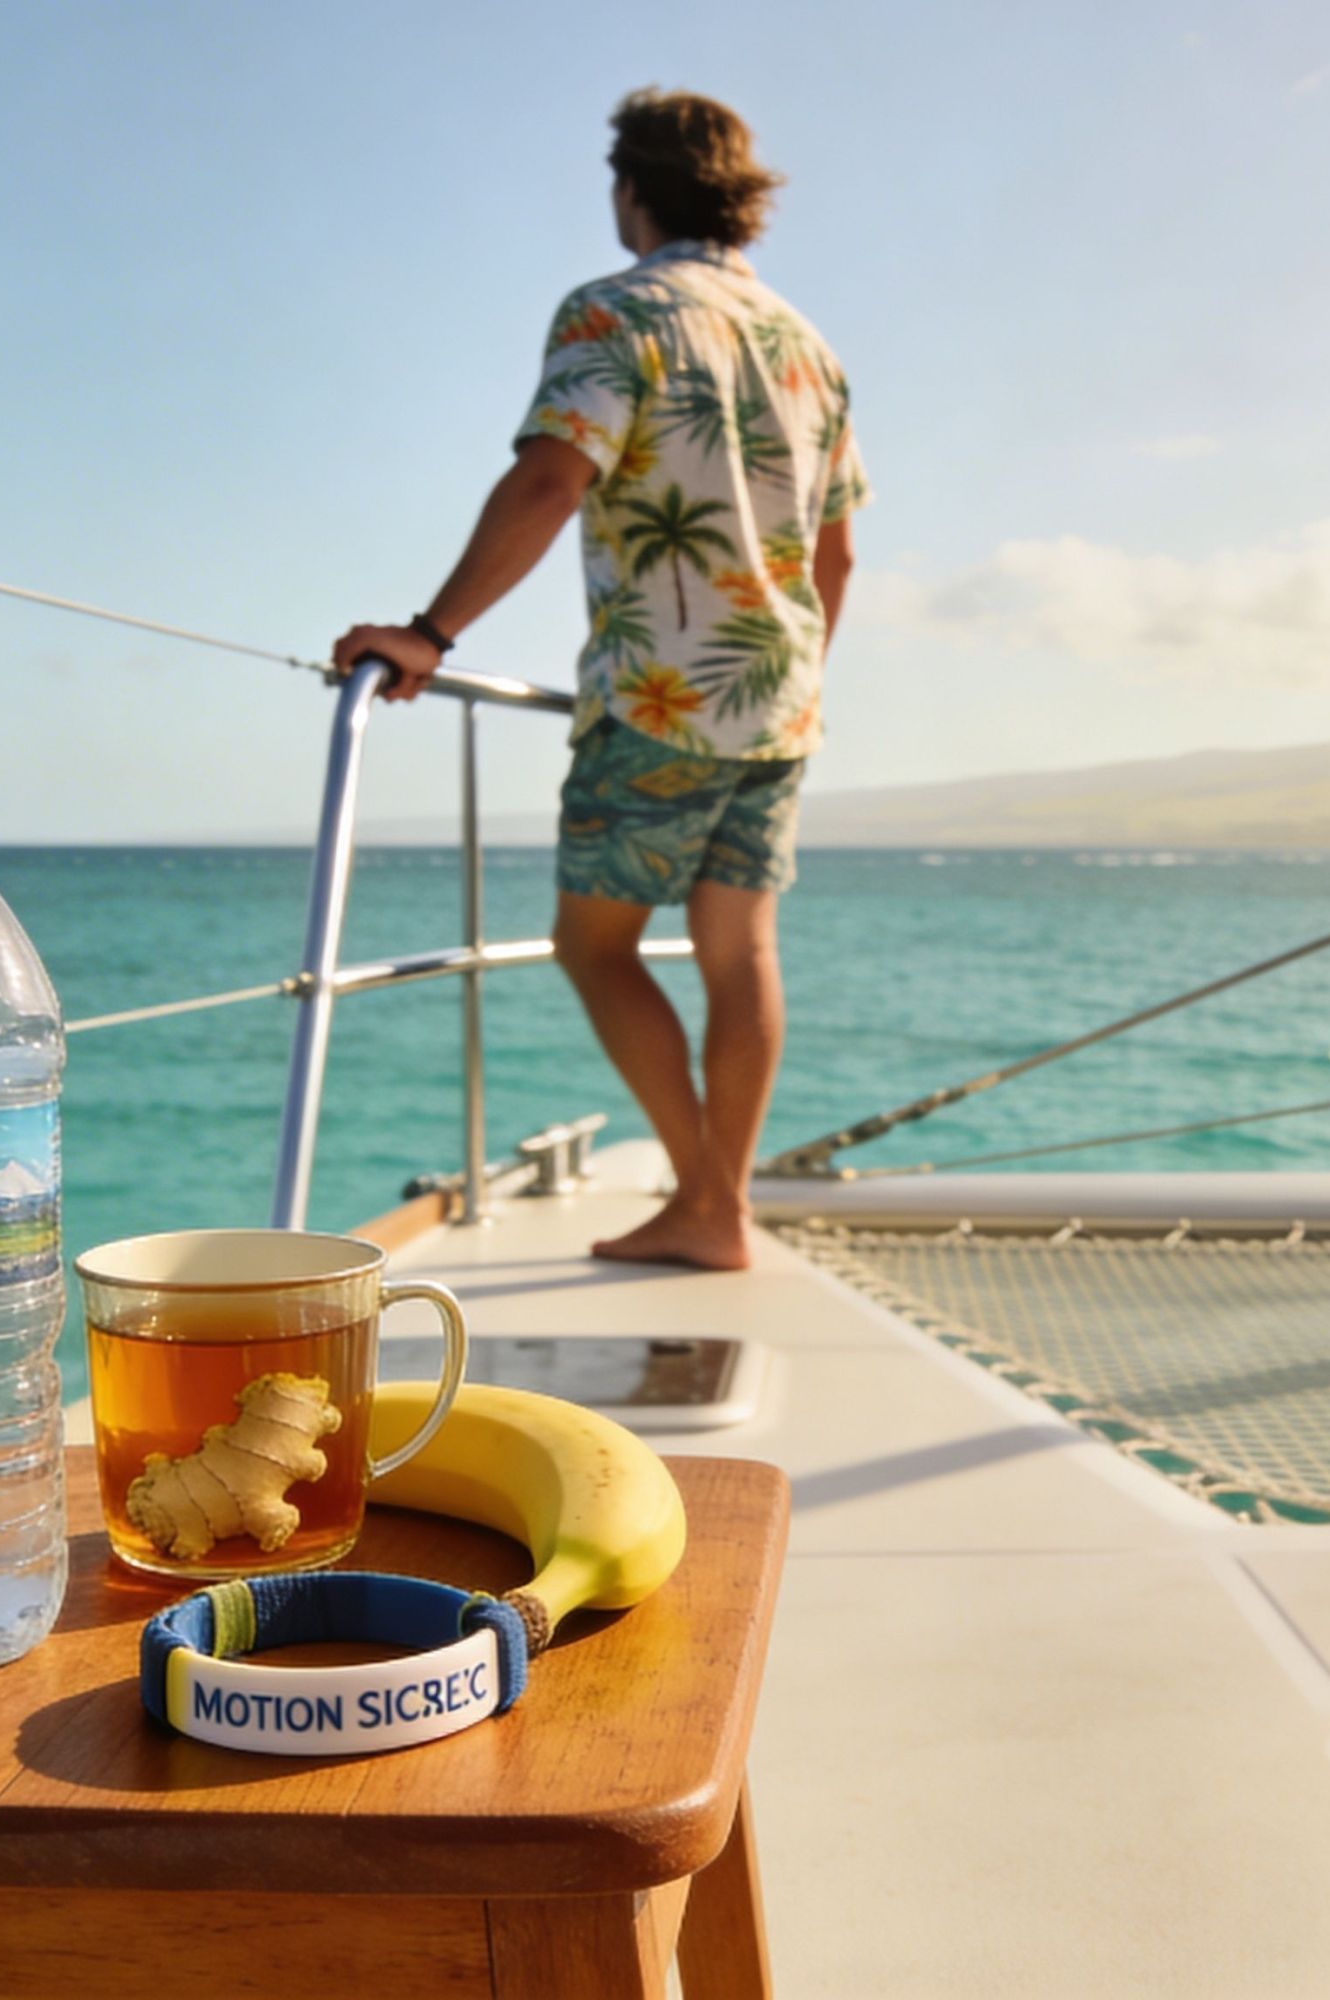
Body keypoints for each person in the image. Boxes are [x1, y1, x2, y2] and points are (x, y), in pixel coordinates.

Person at [332, 88, 867, 1271]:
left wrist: (431, 631)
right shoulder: (804, 344)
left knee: (593, 945)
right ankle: (716, 1206)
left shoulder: (614, 311)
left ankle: (710, 1200)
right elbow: (835, 553)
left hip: (662, 695)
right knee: (742, 953)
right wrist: (791, 677)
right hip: (782, 696)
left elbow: (549, 481)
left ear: (634, 189)